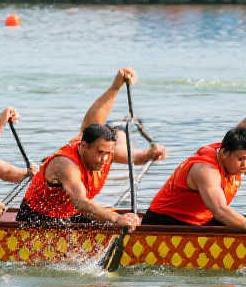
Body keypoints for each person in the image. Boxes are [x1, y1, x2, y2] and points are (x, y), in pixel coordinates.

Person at [18, 69, 169, 230]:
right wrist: (117, 218)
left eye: (108, 153)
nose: (104, 159)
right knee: (112, 221)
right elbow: (81, 202)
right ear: (84, 146)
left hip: (69, 215)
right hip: (36, 220)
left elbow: (136, 158)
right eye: (100, 153)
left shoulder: (105, 152)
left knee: (120, 222)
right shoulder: (65, 164)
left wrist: (150, 154)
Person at [142, 97, 246, 237]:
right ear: (225, 153)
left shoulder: (236, 155)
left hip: (200, 221)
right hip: (164, 223)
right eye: (242, 159)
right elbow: (220, 210)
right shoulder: (206, 170)